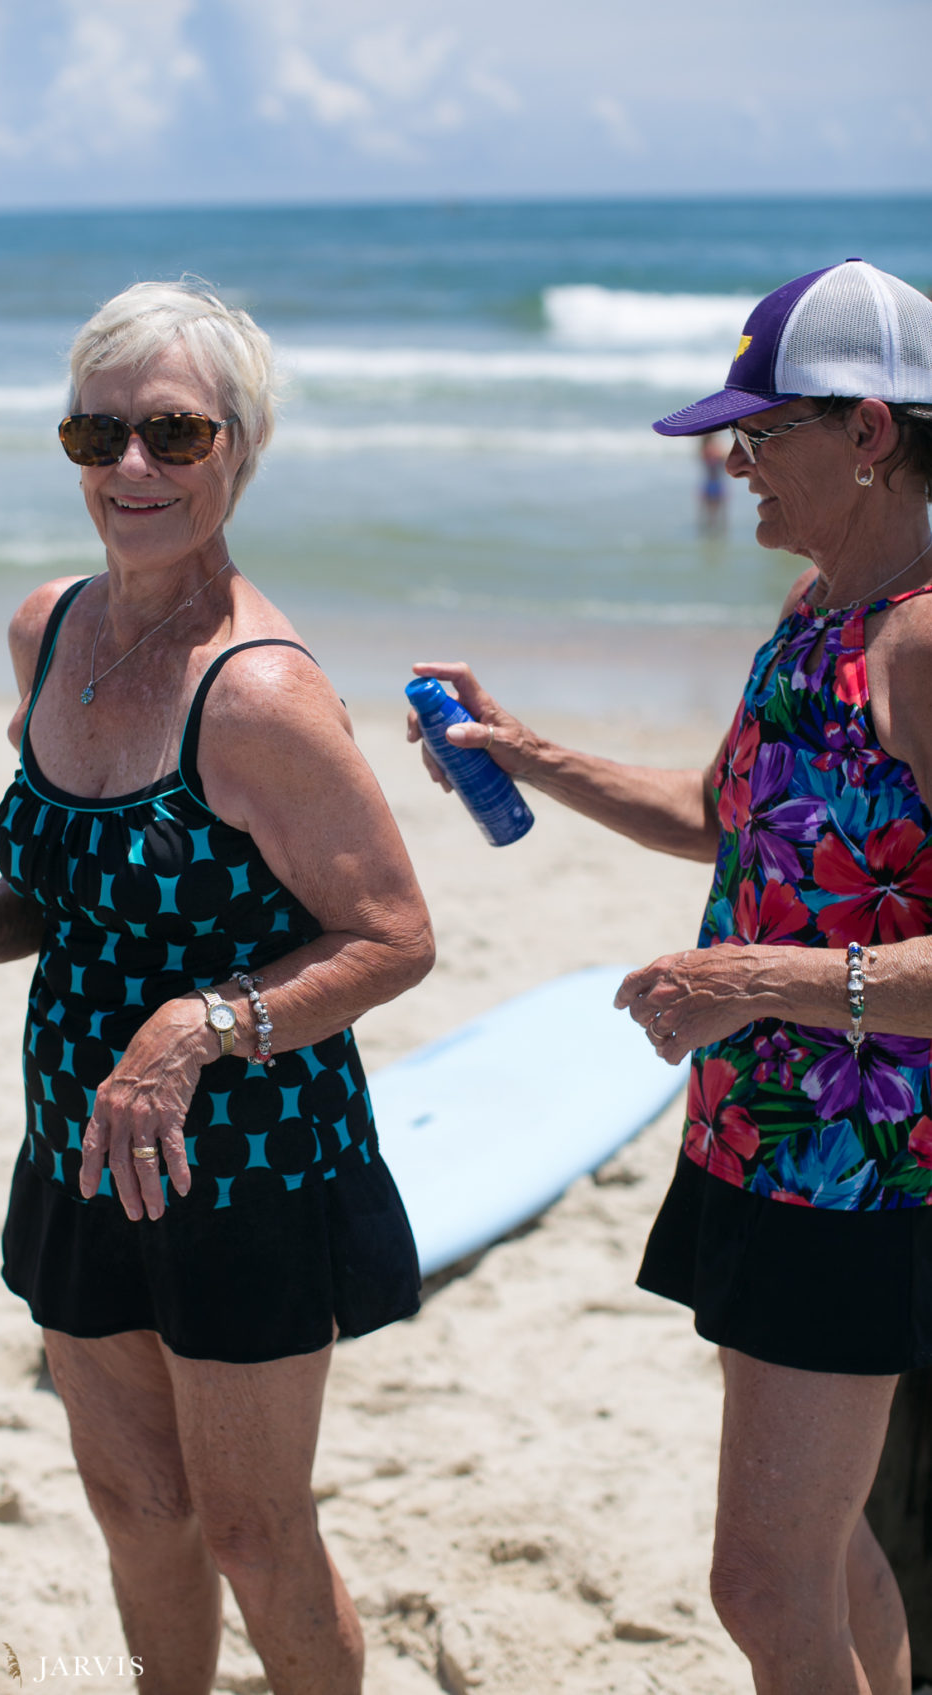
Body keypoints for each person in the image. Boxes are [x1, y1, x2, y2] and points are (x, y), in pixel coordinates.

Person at [0, 279, 434, 1695]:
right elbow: (75, 885)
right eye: (98, 434)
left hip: (247, 1159)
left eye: (174, 435)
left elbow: (391, 936)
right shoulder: (47, 630)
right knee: (137, 1511)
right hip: (80, 1135)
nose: (131, 468)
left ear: (239, 451)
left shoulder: (258, 694)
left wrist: (202, 1025)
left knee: (256, 1536)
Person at [409, 259, 932, 1695]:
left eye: (758, 435)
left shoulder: (921, 637)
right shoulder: (817, 609)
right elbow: (724, 816)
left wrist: (758, 981)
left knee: (759, 1584)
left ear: (870, 434)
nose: (731, 464)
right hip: (759, 1142)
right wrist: (527, 756)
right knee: (819, 1556)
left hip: (862, 1172)